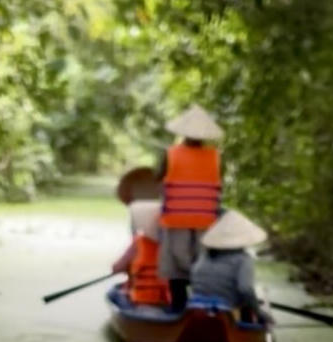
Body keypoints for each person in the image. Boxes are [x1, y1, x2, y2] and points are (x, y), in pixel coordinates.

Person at [157, 102, 223, 311]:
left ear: (183, 133)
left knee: (176, 266)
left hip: (176, 220)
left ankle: (178, 305)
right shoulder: (216, 157)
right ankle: (201, 306)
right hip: (205, 221)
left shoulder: (170, 154)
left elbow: (159, 179)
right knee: (202, 265)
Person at [191, 207, 269, 322]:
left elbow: (194, 281)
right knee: (249, 302)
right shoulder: (243, 259)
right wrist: (258, 312)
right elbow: (245, 289)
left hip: (195, 308)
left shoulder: (205, 256)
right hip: (225, 312)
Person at [112, 196, 171, 308]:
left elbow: (117, 267)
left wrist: (125, 268)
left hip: (140, 300)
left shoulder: (139, 242)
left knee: (116, 293)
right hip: (167, 301)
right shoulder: (176, 243)